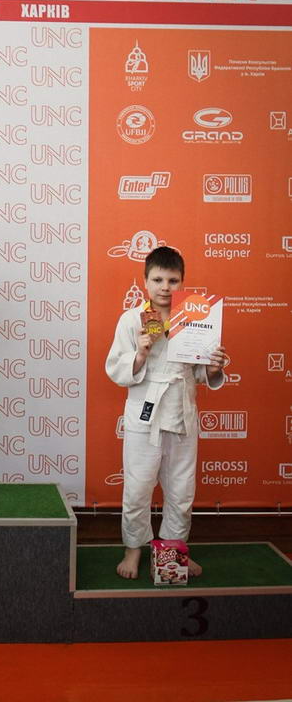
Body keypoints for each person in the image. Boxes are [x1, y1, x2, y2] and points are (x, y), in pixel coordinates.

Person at [105, 246, 226, 579]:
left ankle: (173, 552)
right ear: (145, 281)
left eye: (173, 281)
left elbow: (199, 373)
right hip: (145, 414)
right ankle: (133, 549)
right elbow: (115, 368)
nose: (165, 287)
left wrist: (213, 368)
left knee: (182, 491)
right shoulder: (132, 319)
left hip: (182, 413)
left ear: (182, 282)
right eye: (158, 280)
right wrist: (140, 354)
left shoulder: (195, 318)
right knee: (137, 488)